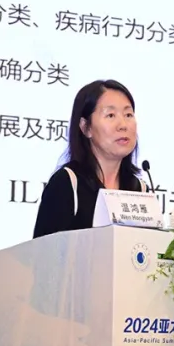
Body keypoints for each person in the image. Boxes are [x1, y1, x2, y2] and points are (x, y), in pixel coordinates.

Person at [33, 79, 147, 238]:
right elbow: (43, 250)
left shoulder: (139, 189)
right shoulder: (67, 183)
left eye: (128, 115)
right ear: (85, 127)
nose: (123, 125)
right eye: (111, 115)